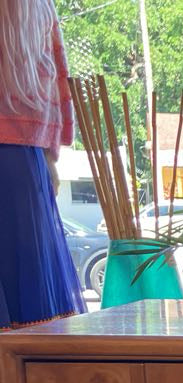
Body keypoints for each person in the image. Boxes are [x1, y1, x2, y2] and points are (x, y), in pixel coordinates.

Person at [0, 0, 84, 330]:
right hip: (23, 151)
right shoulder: (38, 6)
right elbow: (55, 73)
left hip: (23, 151)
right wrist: (52, 150)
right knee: (32, 308)